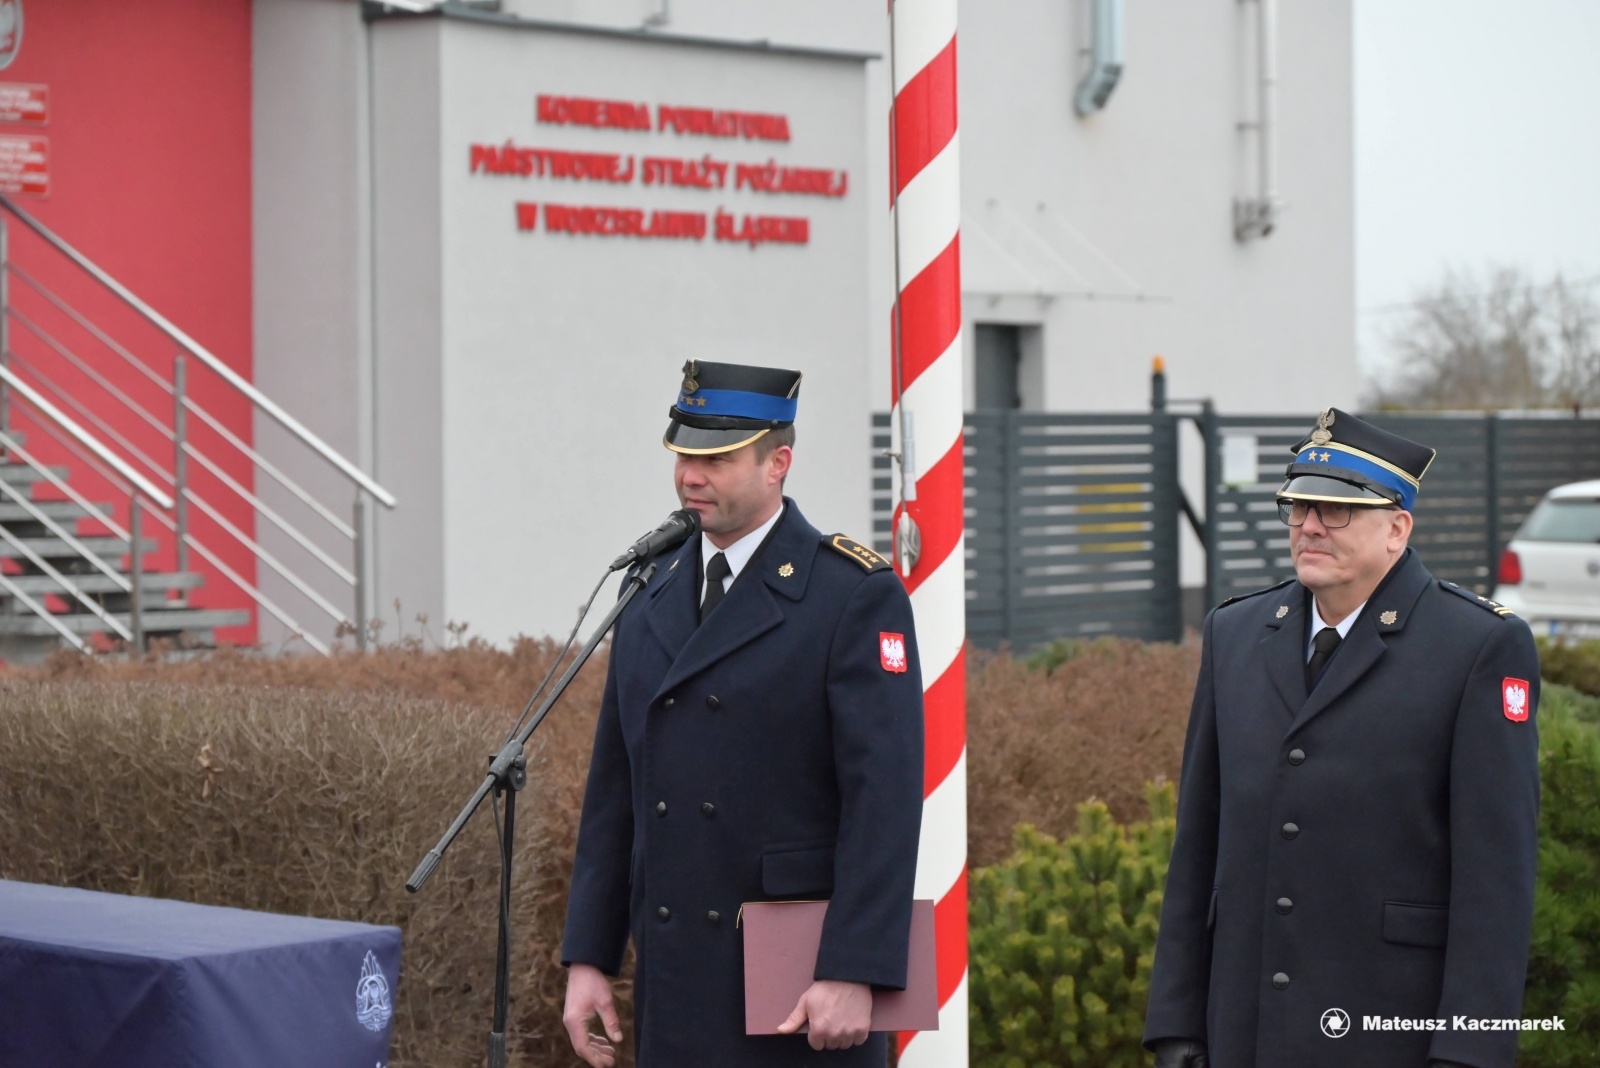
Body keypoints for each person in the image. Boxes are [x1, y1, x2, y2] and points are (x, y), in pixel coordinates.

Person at [1144, 408, 1541, 1068]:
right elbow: (1199, 848)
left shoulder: (1477, 647)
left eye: (1337, 511)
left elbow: (1495, 880)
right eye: (1298, 508)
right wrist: (1178, 1022)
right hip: (1244, 1028)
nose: (1310, 527)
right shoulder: (1236, 634)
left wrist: (1470, 1050)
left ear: (1398, 527)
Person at [560, 361, 926, 1068]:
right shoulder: (651, 586)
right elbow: (615, 790)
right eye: (683, 456)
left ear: (777, 463)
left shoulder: (849, 595)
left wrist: (856, 969)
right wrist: (589, 956)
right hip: (676, 980)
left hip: (799, 991)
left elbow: (883, 801)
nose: (691, 477)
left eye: (717, 459)